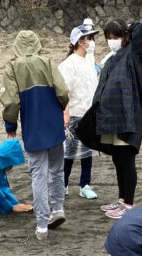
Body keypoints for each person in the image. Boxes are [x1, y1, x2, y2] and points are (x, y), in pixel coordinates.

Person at [76, 20, 142, 221]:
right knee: (118, 159)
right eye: (108, 37)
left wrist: (129, 30)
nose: (112, 41)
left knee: (126, 159)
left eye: (116, 37)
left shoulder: (133, 53)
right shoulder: (114, 57)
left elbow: (141, 28)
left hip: (128, 117)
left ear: (125, 36)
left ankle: (129, 204)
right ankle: (121, 199)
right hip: (112, 117)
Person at [1, 30, 70, 241]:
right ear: (37, 44)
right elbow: (63, 91)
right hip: (54, 124)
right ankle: (58, 208)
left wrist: (10, 125)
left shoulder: (12, 67)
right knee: (57, 170)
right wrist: (60, 109)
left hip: (33, 127)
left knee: (38, 175)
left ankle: (42, 226)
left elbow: (11, 102)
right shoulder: (48, 62)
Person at [58, 23, 99, 200]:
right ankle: (63, 184)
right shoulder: (69, 64)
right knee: (70, 151)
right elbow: (63, 91)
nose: (92, 42)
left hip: (89, 113)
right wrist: (65, 114)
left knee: (88, 151)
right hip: (74, 113)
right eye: (89, 38)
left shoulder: (89, 62)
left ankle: (85, 184)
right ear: (80, 41)